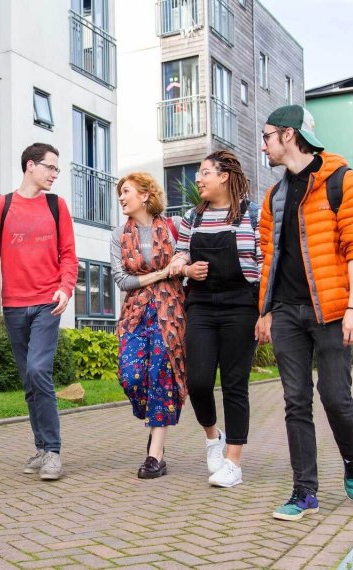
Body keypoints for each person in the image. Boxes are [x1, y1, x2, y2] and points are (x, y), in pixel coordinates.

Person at [254, 105, 353, 520]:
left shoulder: (345, 182)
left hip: (334, 309)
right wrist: (265, 310)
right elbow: (269, 256)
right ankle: (304, 491)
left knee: (334, 396)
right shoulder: (274, 196)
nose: (264, 143)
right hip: (288, 311)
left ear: (288, 135)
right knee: (295, 400)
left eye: (268, 134)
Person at [0, 142, 78, 481]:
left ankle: (52, 451)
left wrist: (65, 288)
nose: (54, 174)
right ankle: (40, 446)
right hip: (14, 307)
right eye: (50, 167)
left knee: (38, 370)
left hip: (48, 303)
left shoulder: (56, 206)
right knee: (29, 381)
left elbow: (69, 255)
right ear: (30, 166)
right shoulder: (1, 207)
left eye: (56, 169)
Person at [167, 150, 261, 489]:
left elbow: (265, 264)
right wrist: (187, 268)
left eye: (205, 173)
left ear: (224, 176)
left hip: (241, 304)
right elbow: (179, 257)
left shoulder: (252, 215)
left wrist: (266, 313)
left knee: (235, 383)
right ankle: (212, 436)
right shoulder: (192, 217)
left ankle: (233, 462)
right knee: (199, 381)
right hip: (202, 305)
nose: (199, 179)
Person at [110, 172, 187, 479]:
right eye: (120, 193)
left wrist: (182, 262)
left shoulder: (176, 227)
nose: (121, 197)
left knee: (161, 376)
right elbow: (122, 280)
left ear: (144, 195)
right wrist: (162, 272)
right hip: (135, 313)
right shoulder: (118, 235)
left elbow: (191, 254)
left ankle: (156, 453)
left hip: (170, 312)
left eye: (126, 191)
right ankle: (156, 420)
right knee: (131, 376)